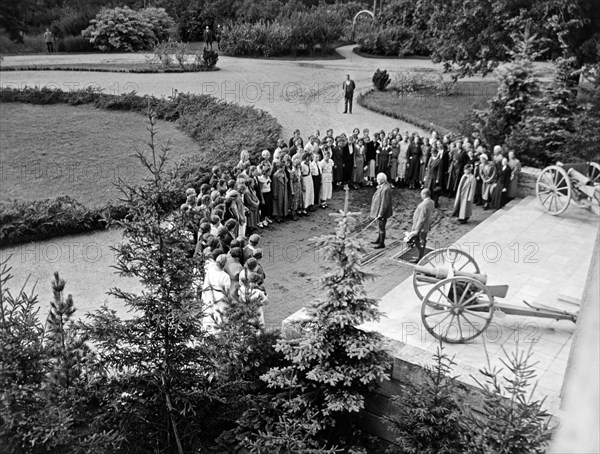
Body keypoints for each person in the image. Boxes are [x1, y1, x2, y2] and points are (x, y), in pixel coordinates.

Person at [202, 254, 231, 327]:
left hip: (210, 296)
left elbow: (207, 284)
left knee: (209, 316)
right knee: (221, 318)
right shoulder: (225, 276)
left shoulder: (210, 271)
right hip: (221, 298)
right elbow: (226, 291)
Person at [369, 173, 393, 249]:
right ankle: (379, 239)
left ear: (382, 180)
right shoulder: (383, 186)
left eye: (378, 179)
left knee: (382, 227)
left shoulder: (385, 189)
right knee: (380, 226)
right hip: (379, 210)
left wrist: (380, 214)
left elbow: (384, 203)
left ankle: (381, 243)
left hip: (382, 212)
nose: (377, 180)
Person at [410, 189, 435, 262]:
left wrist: (416, 230)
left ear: (424, 195)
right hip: (426, 224)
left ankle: (420, 257)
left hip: (422, 226)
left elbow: (422, 218)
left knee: (419, 241)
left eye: (421, 194)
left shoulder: (424, 204)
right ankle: (420, 256)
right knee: (422, 240)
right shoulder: (431, 202)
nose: (421, 196)